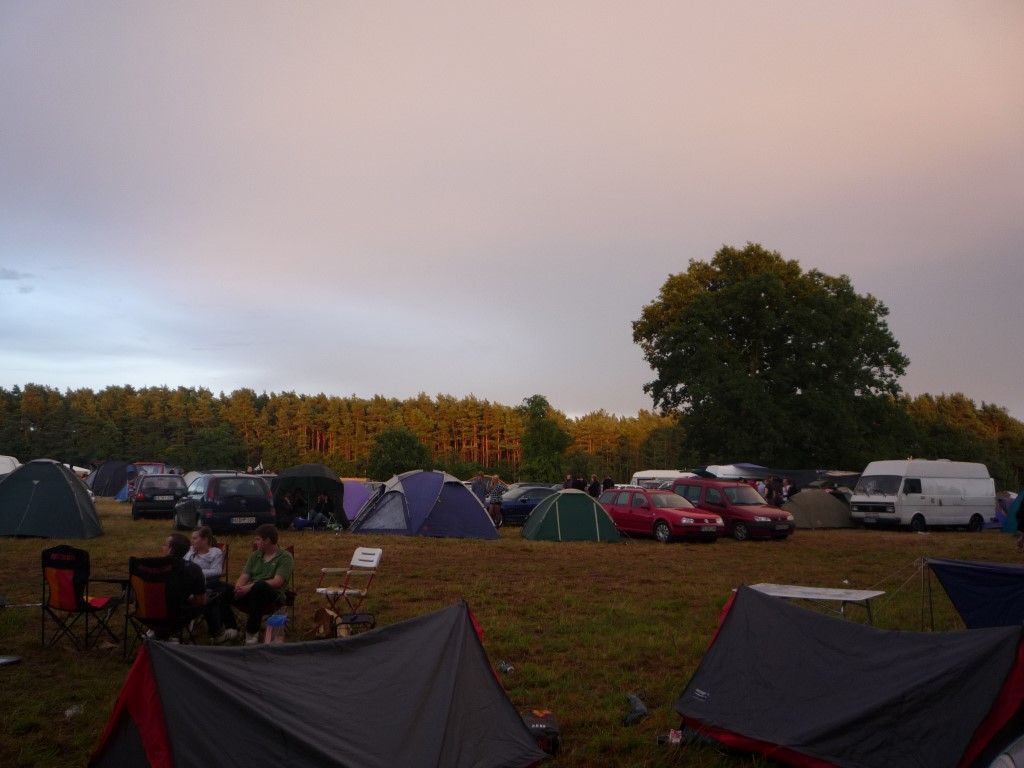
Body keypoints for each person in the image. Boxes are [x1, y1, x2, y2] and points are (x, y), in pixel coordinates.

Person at [232, 524, 294, 645]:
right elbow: (244, 576)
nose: (255, 543)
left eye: (258, 539)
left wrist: (250, 587)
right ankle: (227, 631)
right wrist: (238, 588)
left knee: (259, 587)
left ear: (267, 540)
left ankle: (251, 633)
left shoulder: (285, 557)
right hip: (250, 593)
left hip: (273, 595)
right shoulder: (255, 555)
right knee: (222, 589)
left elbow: (277, 582)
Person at [185, 526, 238, 643]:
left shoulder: (215, 552)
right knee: (222, 591)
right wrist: (196, 573)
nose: (192, 541)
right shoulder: (189, 552)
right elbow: (184, 568)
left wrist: (197, 573)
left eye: (195, 538)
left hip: (209, 582)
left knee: (220, 591)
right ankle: (228, 628)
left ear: (205, 539)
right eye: (192, 538)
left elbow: (217, 571)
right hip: (193, 586)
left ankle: (225, 628)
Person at [154, 533, 207, 640]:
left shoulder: (152, 567)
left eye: (165, 545)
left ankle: (158, 633)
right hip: (177, 615)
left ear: (170, 550)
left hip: (147, 612)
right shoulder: (194, 570)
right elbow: (200, 600)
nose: (162, 547)